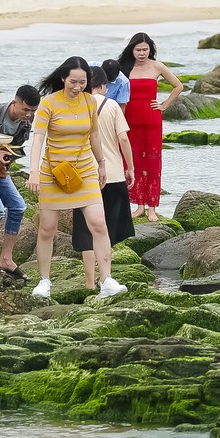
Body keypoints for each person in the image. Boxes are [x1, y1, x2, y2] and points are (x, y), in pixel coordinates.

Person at [26, 55, 123, 299]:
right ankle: (44, 281)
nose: (78, 87)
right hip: (53, 171)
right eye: (73, 82)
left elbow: (94, 136)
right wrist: (34, 171)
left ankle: (107, 280)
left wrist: (102, 164)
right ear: (63, 78)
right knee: (47, 229)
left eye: (82, 82)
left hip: (85, 169)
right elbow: (38, 138)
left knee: (99, 224)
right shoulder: (48, 103)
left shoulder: (90, 102)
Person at [71, 67, 136, 289]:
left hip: (85, 175)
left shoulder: (77, 106)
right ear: (103, 85)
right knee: (106, 229)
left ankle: (90, 283)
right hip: (114, 175)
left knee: (85, 230)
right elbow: (124, 140)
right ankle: (105, 278)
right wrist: (131, 168)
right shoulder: (111, 106)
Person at [116, 32, 183, 222]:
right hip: (129, 117)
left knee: (152, 162)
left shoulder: (157, 66)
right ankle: (139, 206)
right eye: (138, 49)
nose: (142, 53)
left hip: (151, 117)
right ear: (132, 50)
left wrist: (164, 105)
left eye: (145, 49)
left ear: (150, 49)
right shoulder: (124, 68)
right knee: (132, 160)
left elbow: (178, 86)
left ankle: (152, 208)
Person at [0, 84, 40, 272]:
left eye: (33, 111)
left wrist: (6, 160)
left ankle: (6, 257)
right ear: (15, 102)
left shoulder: (27, 121)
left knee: (19, 206)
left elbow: (19, 148)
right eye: (26, 109)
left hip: (1, 169)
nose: (29, 115)